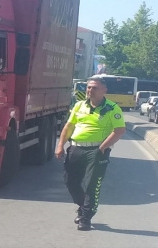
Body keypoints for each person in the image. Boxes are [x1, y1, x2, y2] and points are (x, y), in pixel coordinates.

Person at [55, 76, 126, 231]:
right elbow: (69, 126)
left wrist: (102, 148)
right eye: (88, 87)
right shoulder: (79, 105)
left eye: (94, 88)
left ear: (104, 90)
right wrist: (60, 145)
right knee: (70, 181)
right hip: (75, 148)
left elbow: (119, 130)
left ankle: (85, 217)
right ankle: (83, 206)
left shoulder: (112, 108)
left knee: (92, 185)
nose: (90, 90)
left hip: (96, 150)